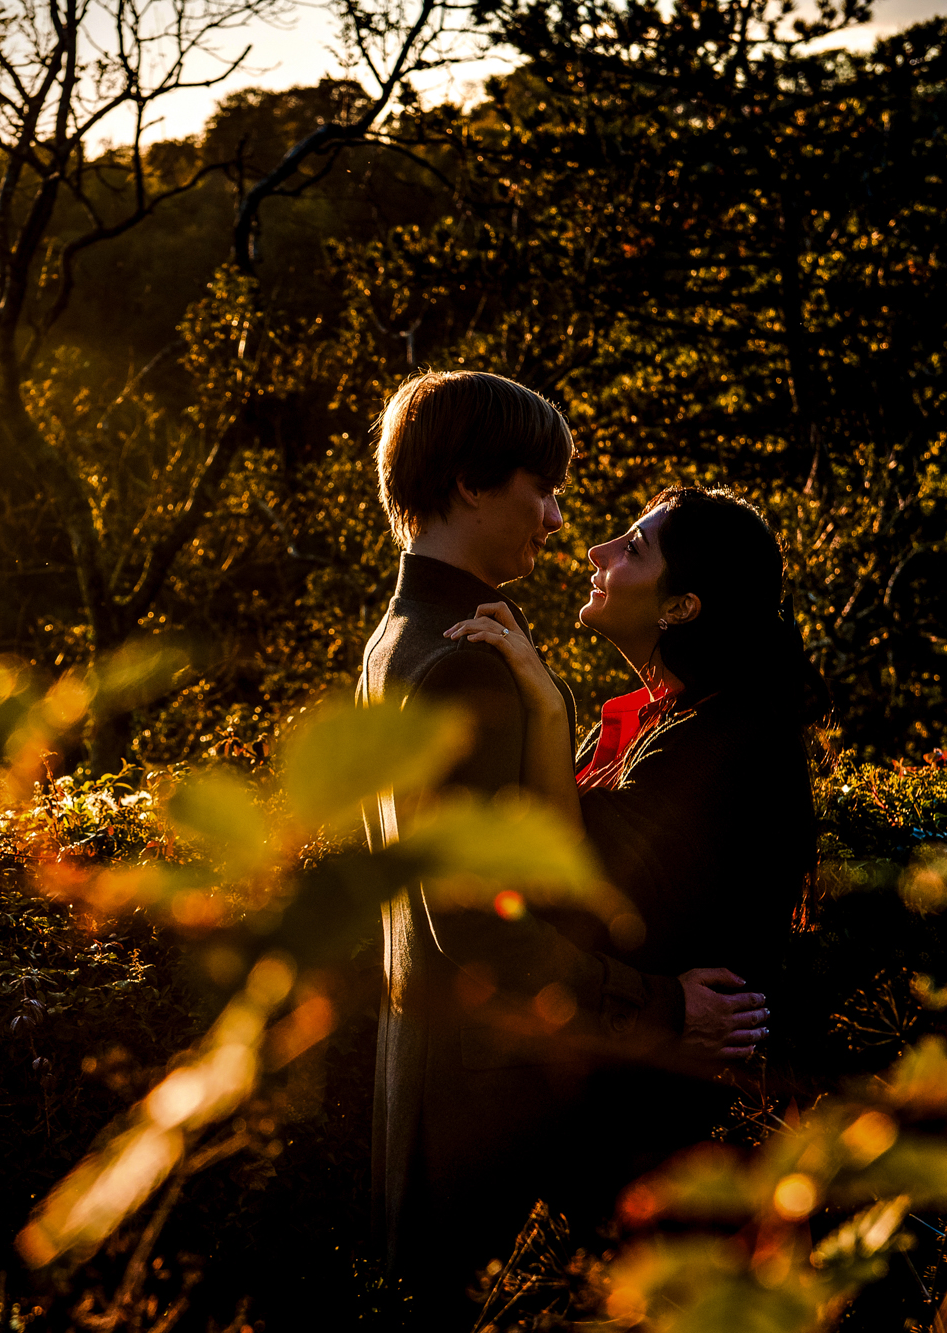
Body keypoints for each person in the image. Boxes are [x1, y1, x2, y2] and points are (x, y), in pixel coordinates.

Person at [356, 372, 768, 1305]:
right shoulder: (466, 664)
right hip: (485, 1116)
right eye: (541, 489)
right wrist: (663, 1005)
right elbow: (479, 921)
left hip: (420, 1088)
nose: (554, 520)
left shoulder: (398, 638)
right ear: (470, 480)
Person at [446, 485, 824, 1220]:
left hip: (678, 1139)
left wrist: (547, 704)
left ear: (681, 606)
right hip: (626, 1111)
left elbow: (583, 883)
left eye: (632, 547)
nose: (598, 552)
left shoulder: (728, 739)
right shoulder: (657, 718)